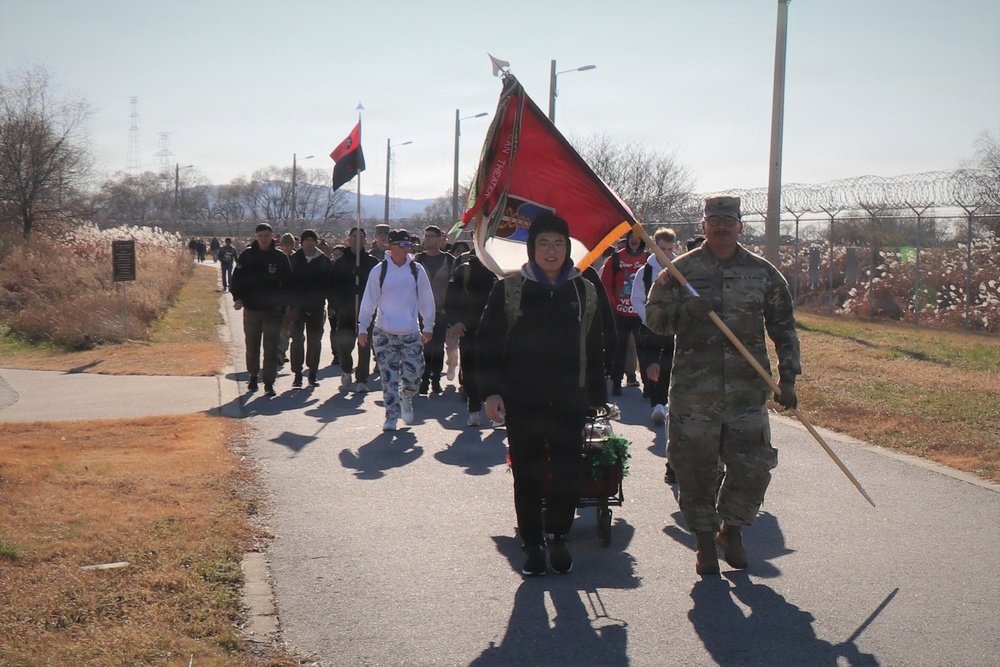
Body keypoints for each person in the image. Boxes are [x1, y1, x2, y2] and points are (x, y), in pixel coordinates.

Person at [645, 195, 800, 575]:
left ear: (740, 227)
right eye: (714, 220)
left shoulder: (762, 273)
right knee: (694, 467)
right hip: (694, 392)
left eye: (728, 221)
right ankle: (703, 540)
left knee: (753, 466)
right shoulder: (680, 271)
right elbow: (653, 317)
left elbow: (783, 326)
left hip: (748, 390)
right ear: (703, 227)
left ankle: (732, 529)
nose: (721, 227)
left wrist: (789, 377)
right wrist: (686, 312)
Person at [477, 213, 607, 576]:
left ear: (568, 248)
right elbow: (487, 344)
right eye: (544, 244)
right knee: (529, 473)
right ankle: (533, 543)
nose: (551, 251)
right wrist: (490, 393)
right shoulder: (511, 288)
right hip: (523, 399)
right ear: (532, 248)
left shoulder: (584, 289)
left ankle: (559, 535)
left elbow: (596, 345)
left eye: (558, 244)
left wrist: (596, 393)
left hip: (570, 399)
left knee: (567, 472)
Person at [357, 230, 436, 431]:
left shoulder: (416, 270)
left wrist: (428, 324)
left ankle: (406, 395)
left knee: (415, 372)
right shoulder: (379, 271)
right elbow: (369, 299)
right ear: (390, 247)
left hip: (410, 331)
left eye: (408, 245)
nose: (405, 249)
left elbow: (427, 298)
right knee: (388, 377)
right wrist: (363, 326)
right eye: (401, 245)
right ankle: (391, 416)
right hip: (384, 332)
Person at [230, 223, 293, 397]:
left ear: (272, 236)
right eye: (260, 236)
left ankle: (269, 382)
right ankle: (252, 375)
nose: (263, 239)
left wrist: (284, 305)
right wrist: (238, 297)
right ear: (256, 237)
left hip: (273, 310)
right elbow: (237, 279)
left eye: (266, 236)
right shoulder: (247, 256)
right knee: (252, 345)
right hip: (252, 309)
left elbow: (288, 283)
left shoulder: (280, 258)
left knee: (271, 348)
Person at [443, 246, 497, 426]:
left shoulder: (500, 269)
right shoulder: (464, 269)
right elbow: (450, 299)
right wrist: (455, 321)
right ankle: (474, 410)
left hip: (495, 329)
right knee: (470, 369)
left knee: (494, 370)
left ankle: (497, 412)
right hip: (468, 329)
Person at [632, 227, 678, 427]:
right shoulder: (646, 271)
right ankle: (657, 404)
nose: (666, 253)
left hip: (674, 326)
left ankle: (666, 402)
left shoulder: (680, 267)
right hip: (651, 327)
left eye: (669, 249)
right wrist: (650, 319)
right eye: (662, 249)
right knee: (653, 364)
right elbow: (636, 299)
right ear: (654, 248)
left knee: (671, 362)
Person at [328, 227, 379, 392]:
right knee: (344, 343)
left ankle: (362, 379)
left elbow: (379, 285)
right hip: (346, 309)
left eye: (361, 237)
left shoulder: (372, 263)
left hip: (366, 310)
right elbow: (332, 286)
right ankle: (346, 368)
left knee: (364, 344)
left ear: (366, 240)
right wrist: (333, 305)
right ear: (348, 240)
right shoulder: (341, 262)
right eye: (354, 237)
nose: (357, 240)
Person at [599, 229, 648, 396]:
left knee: (644, 350)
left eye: (637, 238)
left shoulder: (649, 259)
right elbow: (605, 283)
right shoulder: (616, 258)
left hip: (642, 314)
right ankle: (616, 383)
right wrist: (614, 303)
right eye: (631, 237)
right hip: (620, 313)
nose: (634, 240)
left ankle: (648, 386)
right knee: (619, 350)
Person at [413, 225, 456, 394]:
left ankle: (436, 379)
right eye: (426, 236)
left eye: (431, 236)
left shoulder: (450, 260)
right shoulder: (418, 260)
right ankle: (422, 380)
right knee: (423, 347)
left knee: (437, 347)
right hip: (421, 312)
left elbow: (455, 288)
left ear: (440, 239)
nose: (427, 239)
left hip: (441, 311)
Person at [288, 229, 332, 388]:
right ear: (301, 242)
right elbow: (288, 285)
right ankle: (297, 374)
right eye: (306, 240)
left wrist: (331, 305)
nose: (309, 243)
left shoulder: (324, 261)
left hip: (317, 307)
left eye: (312, 240)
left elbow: (330, 285)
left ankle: (312, 373)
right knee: (297, 340)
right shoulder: (293, 259)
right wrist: (291, 305)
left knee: (315, 341)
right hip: (297, 307)